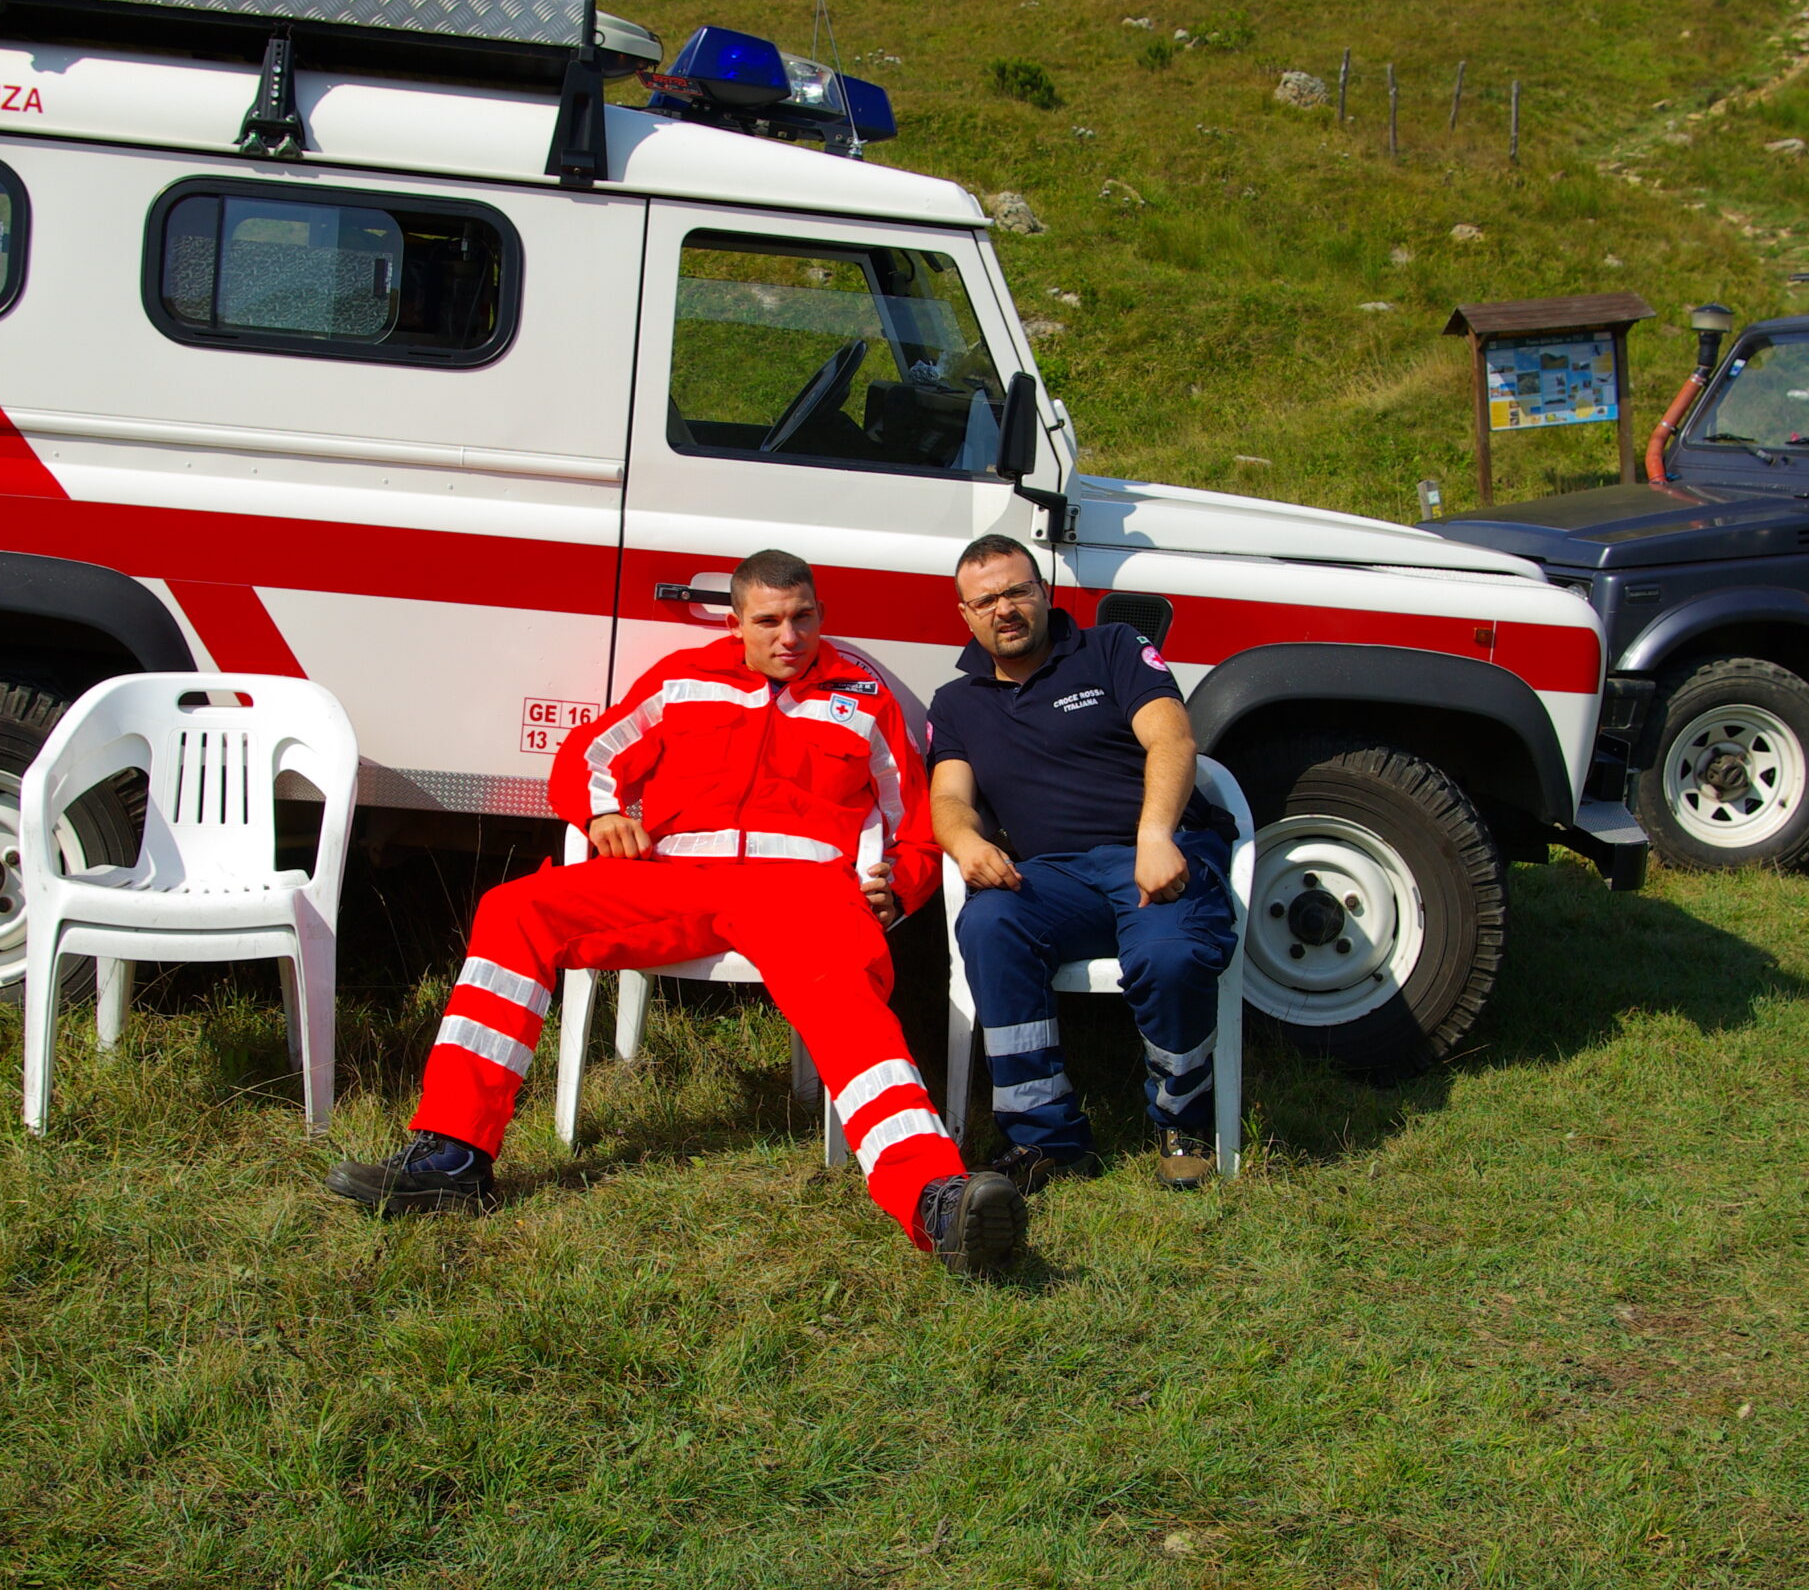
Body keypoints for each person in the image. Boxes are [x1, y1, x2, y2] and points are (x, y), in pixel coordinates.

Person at [327, 550, 1028, 1275]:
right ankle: (453, 1155)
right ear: (736, 622)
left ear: (821, 614)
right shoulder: (681, 680)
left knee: (850, 1005)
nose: (790, 637)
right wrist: (601, 816)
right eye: (769, 622)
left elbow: (912, 821)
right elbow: (585, 758)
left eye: (804, 618)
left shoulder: (864, 695)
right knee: (515, 910)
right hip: (674, 879)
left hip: (806, 897)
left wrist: (901, 883)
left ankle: (934, 1196)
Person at [925, 535, 1242, 1194]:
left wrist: (1155, 834)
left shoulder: (1113, 647)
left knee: (1173, 957)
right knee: (989, 925)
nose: (1004, 610)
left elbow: (1172, 738)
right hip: (1055, 879)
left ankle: (1182, 1119)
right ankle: (1045, 1137)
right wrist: (966, 843)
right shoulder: (956, 703)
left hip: (1155, 854)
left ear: (1044, 593)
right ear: (964, 614)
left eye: (1016, 591)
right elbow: (951, 798)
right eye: (986, 601)